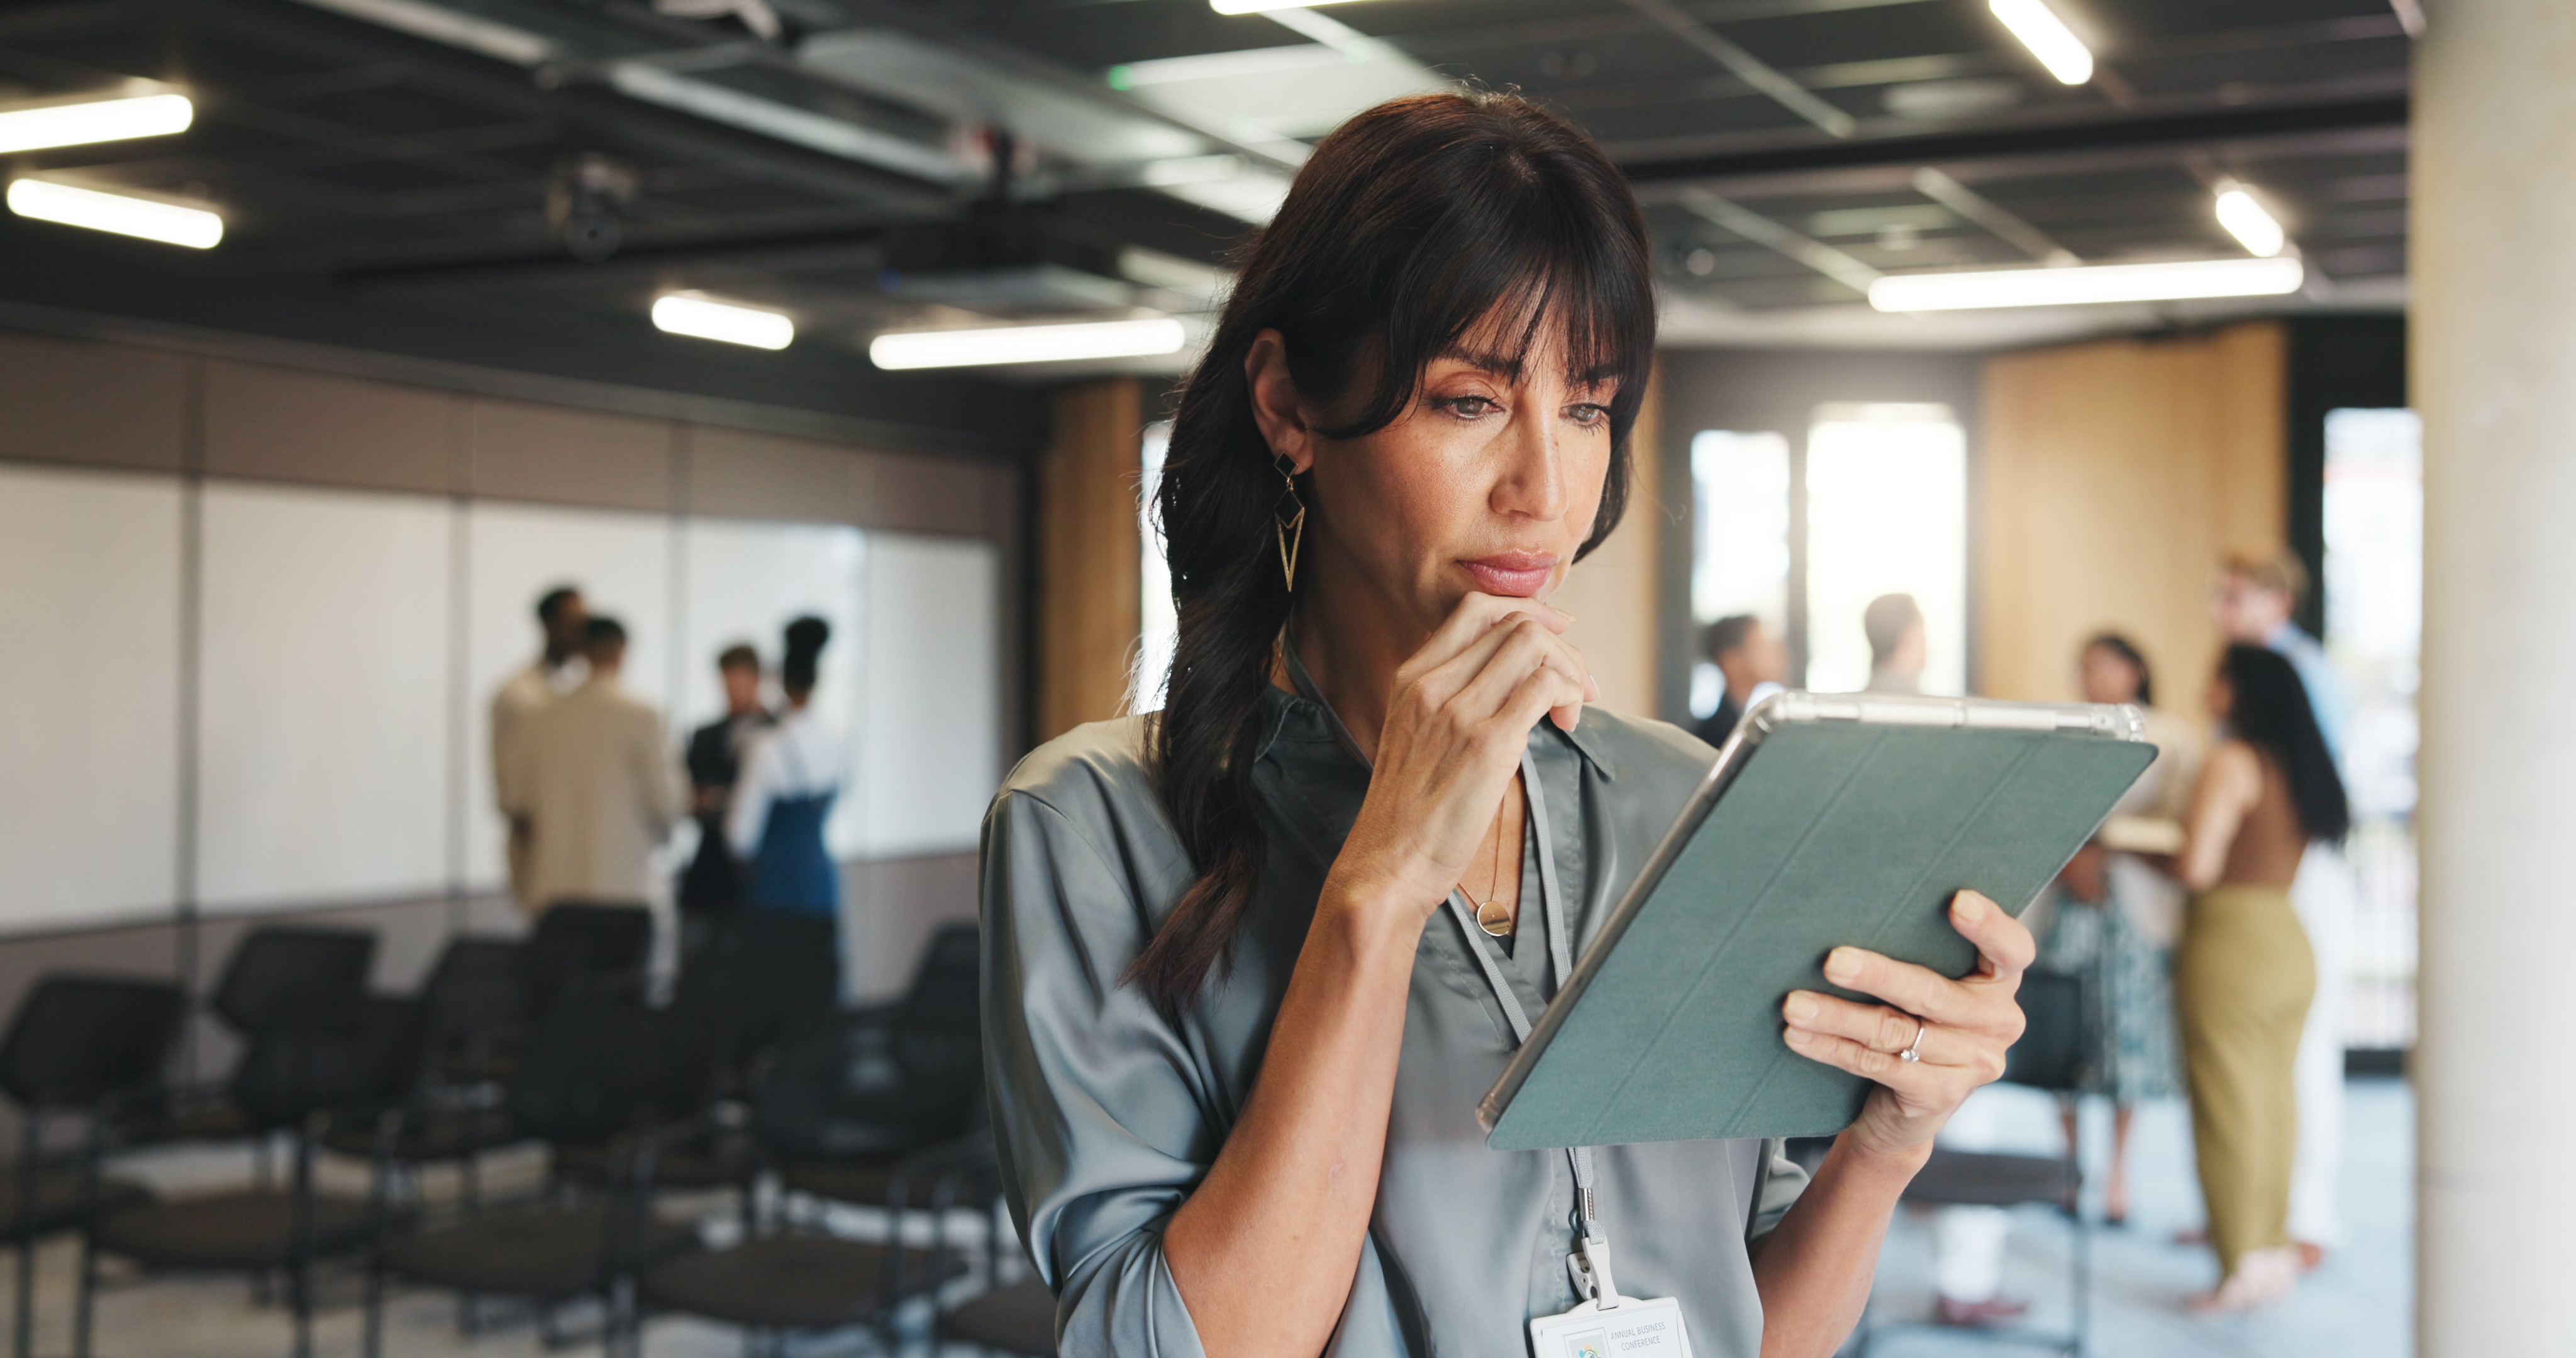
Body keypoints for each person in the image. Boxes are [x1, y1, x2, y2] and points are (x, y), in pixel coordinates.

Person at [980, 92, 2035, 1358]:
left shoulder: (1678, 801)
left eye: (1585, 409)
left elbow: (1760, 1336)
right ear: (1286, 407)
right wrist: (1375, 889)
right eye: (1467, 402)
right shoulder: (1092, 826)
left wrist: (1886, 1139)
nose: (1543, 492)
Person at [2166, 644, 2348, 1311]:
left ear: (2240, 690)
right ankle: (2268, 1250)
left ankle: (2237, 1265)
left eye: (2217, 676)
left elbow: (2197, 868)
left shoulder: (2232, 760)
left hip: (2231, 943)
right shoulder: (2297, 764)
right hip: (2288, 936)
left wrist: (2127, 848)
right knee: (2273, 1102)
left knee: (2226, 1109)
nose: (2206, 686)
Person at [2210, 549, 2357, 1267]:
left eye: (2232, 597)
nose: (2219, 611)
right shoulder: (2255, 681)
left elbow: (2301, 790)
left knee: (2301, 1051)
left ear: (2276, 601)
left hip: (2297, 877)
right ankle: (2254, 1213)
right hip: (2273, 881)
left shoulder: (2295, 677)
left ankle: (2304, 1218)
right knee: (2260, 1066)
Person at [2038, 634, 2199, 1227]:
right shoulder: (2064, 735)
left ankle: (2118, 1173)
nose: (2092, 679)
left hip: (2133, 908)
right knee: (2062, 1031)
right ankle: (2071, 1166)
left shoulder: (2171, 738)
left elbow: (2178, 828)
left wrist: (2113, 851)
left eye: (2104, 667)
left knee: (2126, 1036)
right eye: (2084, 668)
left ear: (2135, 670)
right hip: (2075, 906)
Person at [502, 616, 682, 912]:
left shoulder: (541, 718)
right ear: (622, 651)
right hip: (625, 887)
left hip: (555, 889)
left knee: (562, 959)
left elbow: (520, 803)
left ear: (581, 652)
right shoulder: (643, 717)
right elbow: (665, 802)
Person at [728, 617, 845, 935]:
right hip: (820, 876)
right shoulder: (841, 738)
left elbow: (739, 836)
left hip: (774, 881)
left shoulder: (766, 745)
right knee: (817, 973)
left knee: (775, 975)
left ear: (780, 680)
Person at [491, 585, 588, 912]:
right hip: (539, 833)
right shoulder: (517, 694)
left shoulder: (589, 691)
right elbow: (508, 775)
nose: (581, 630)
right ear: (549, 624)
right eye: (573, 620)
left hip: (584, 832)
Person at [677, 643, 773, 952]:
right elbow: (688, 794)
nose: (732, 692)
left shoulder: (779, 733)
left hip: (758, 870)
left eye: (740, 683)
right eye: (727, 684)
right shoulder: (703, 736)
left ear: (758, 680)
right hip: (710, 868)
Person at [1693, 613, 1789, 746]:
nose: (1780, 654)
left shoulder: (1738, 722)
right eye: (1764, 647)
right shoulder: (1718, 735)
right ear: (1731, 660)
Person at [1863, 592, 1925, 694]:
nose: (1925, 642)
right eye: (1921, 632)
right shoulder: (1922, 705)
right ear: (1907, 639)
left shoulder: (1857, 702)